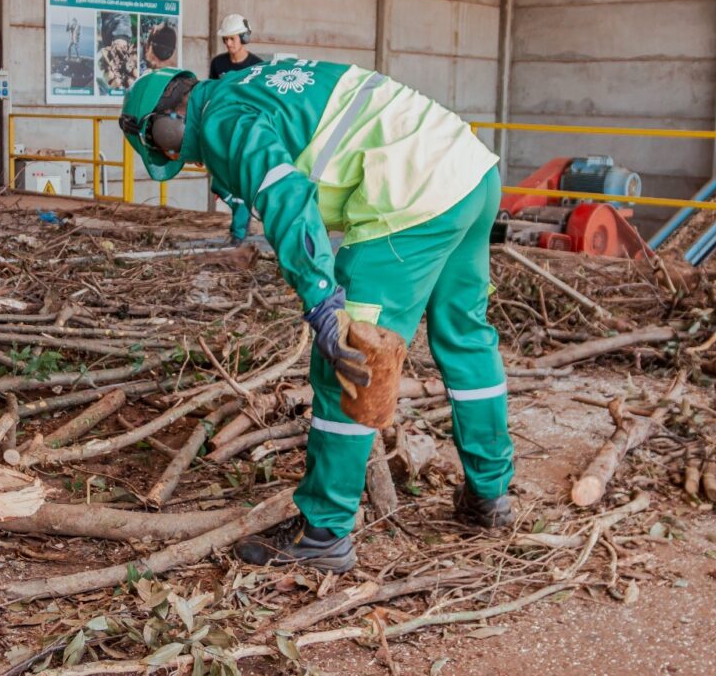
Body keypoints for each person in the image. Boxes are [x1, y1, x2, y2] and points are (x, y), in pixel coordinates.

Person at [118, 60, 515, 572]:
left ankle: (325, 533)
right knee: (465, 336)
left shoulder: (219, 118)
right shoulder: (242, 87)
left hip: (409, 198)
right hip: (470, 172)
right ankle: (490, 495)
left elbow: (288, 195)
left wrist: (322, 298)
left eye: (169, 150)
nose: (179, 158)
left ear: (167, 124)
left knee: (349, 360)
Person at [209, 14, 263, 80]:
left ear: (244, 38)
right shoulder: (217, 62)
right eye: (226, 39)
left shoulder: (258, 66)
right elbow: (211, 88)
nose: (228, 43)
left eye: (232, 38)